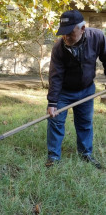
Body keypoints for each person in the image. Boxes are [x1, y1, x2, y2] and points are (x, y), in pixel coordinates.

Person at [46, 10, 106, 169]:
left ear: (82, 29)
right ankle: (53, 158)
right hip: (64, 92)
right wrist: (52, 102)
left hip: (86, 89)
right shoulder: (59, 48)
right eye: (63, 33)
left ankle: (86, 154)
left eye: (70, 33)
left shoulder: (97, 37)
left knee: (85, 123)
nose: (66, 37)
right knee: (55, 122)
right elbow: (55, 76)